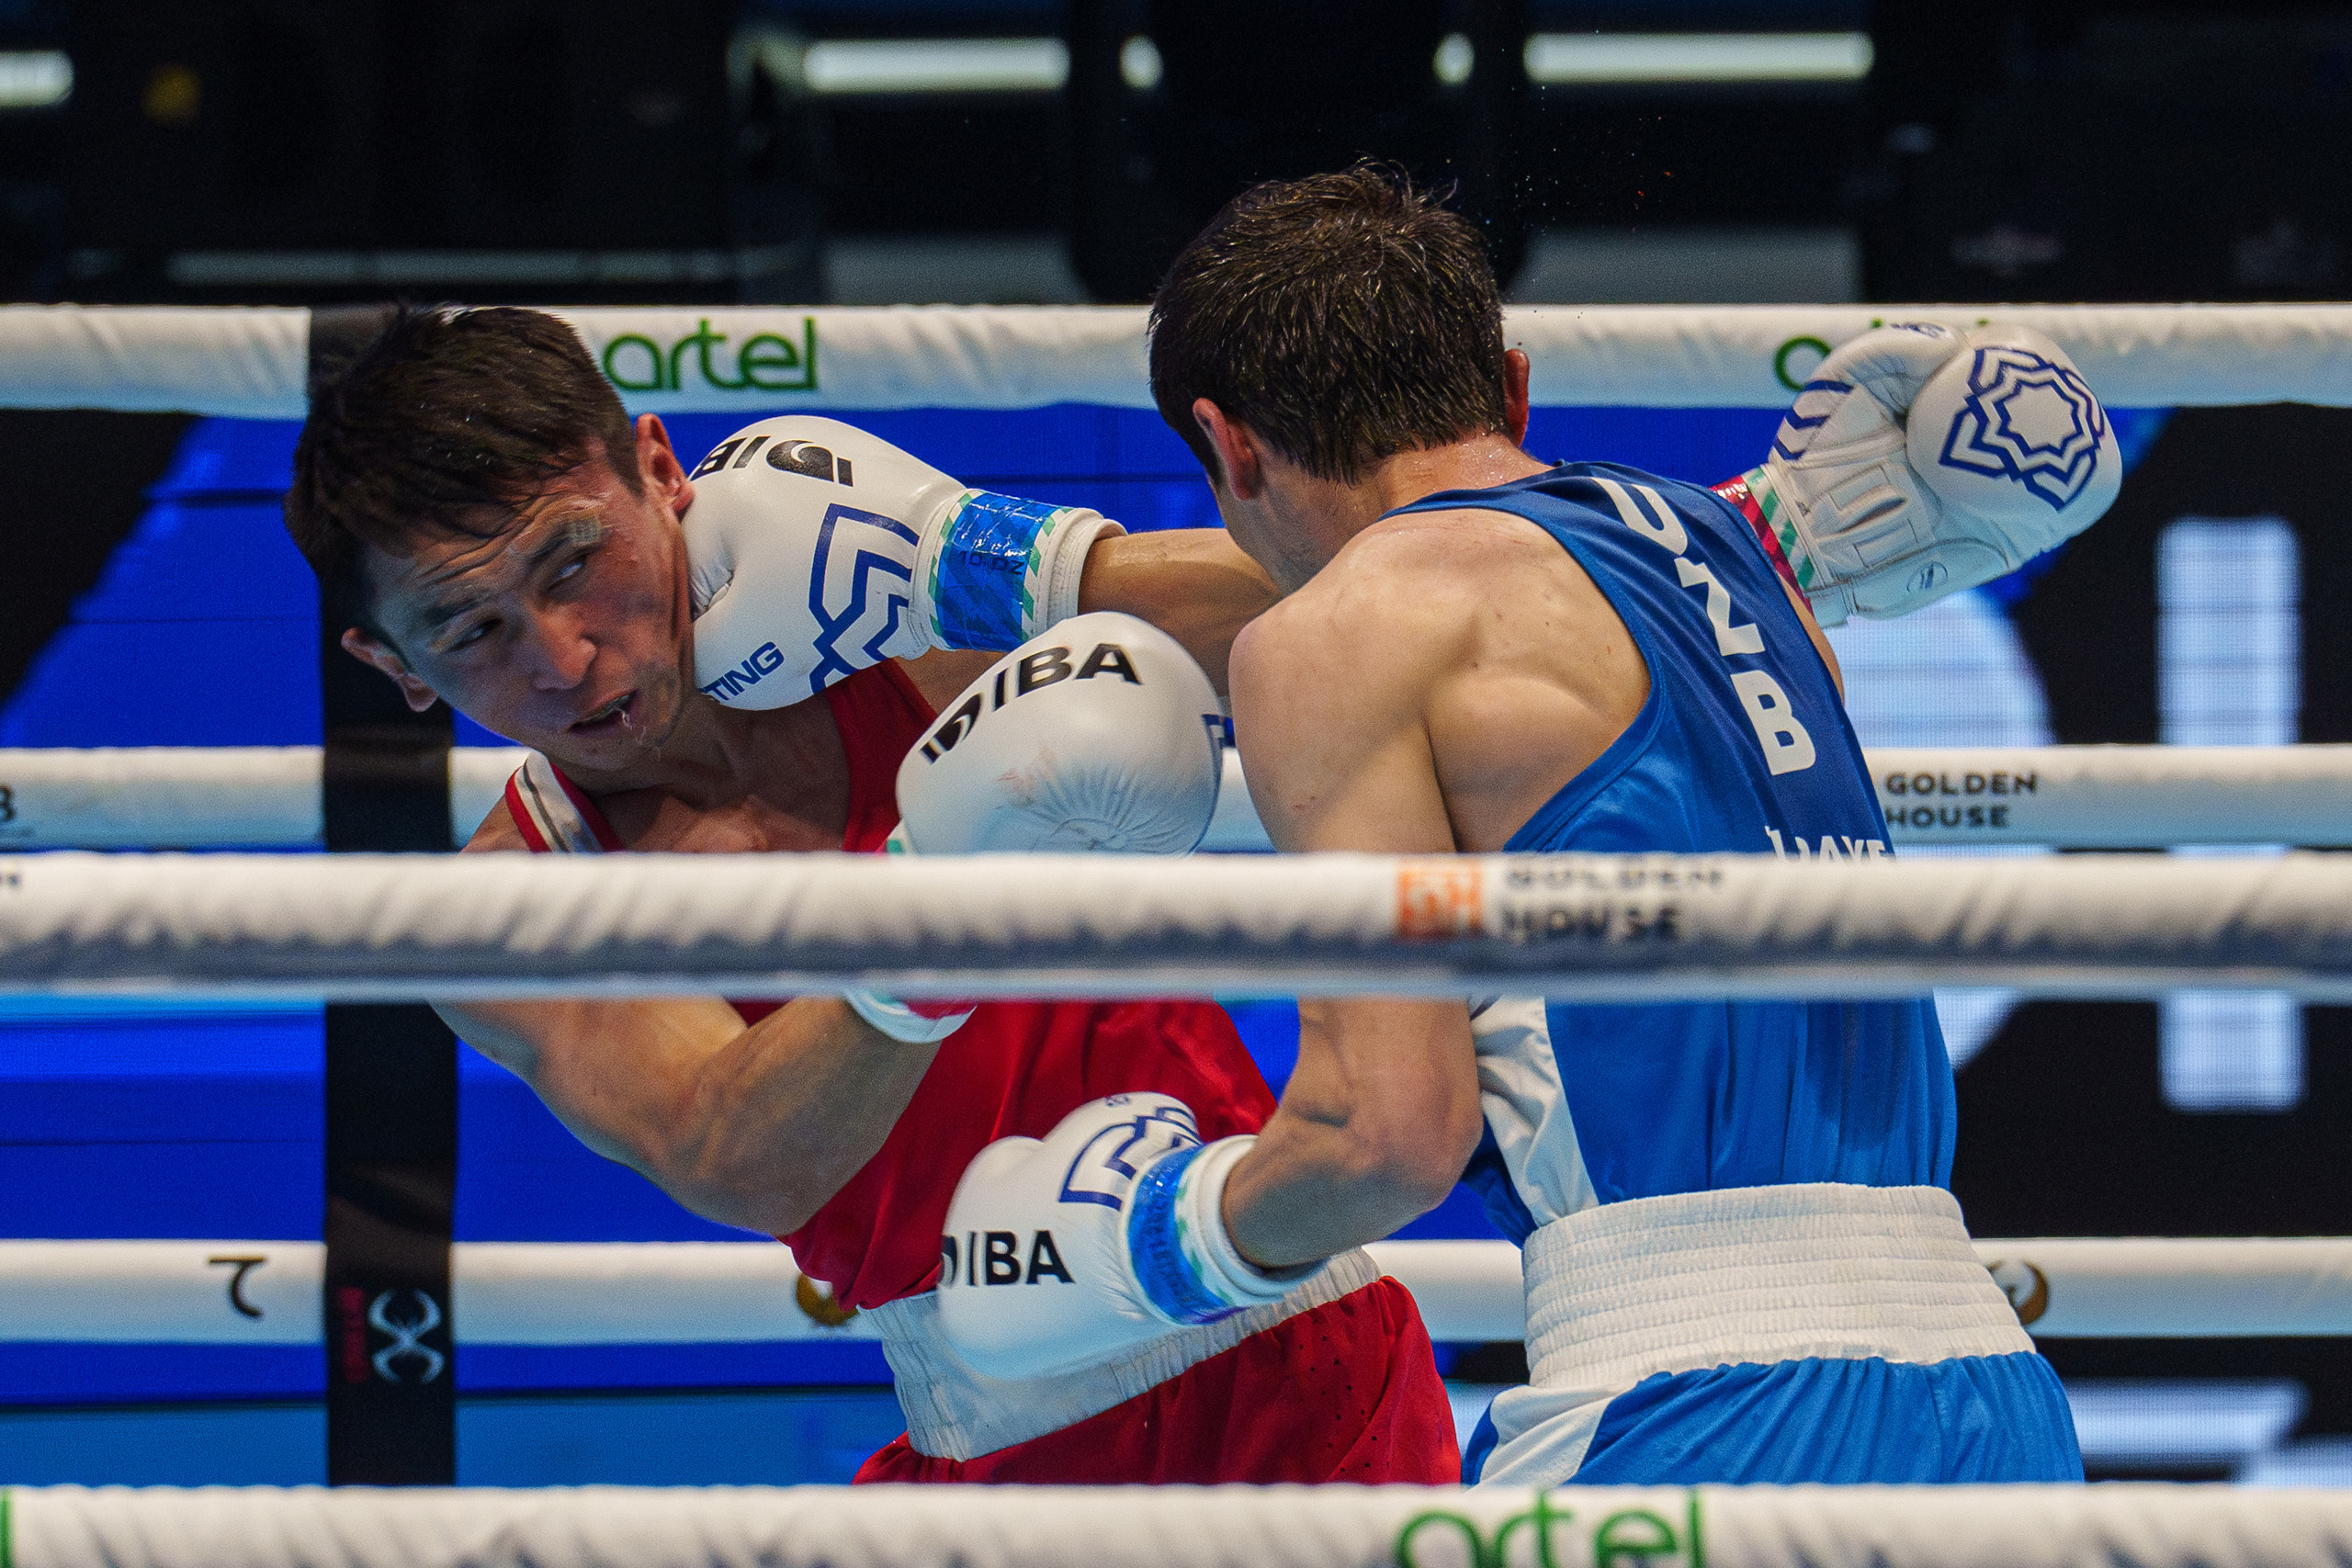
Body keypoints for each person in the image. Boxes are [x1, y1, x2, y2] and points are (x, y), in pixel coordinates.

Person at [938, 168, 2111, 1485]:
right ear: (1512, 390)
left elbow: (1383, 1134)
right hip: (1991, 1400)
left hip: (1692, 1400)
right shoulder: (1744, 564)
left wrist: (1143, 1243)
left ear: (1232, 446)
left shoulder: (1332, 633)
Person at [280, 304, 1459, 1485]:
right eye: (471, 629)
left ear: (659, 470)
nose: (561, 657)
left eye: (574, 562)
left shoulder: (882, 626)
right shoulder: (513, 908)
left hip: (1295, 1348)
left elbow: (1387, 615)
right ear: (394, 666)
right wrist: (936, 898)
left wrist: (981, 555)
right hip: (998, 1446)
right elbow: (739, 1154)